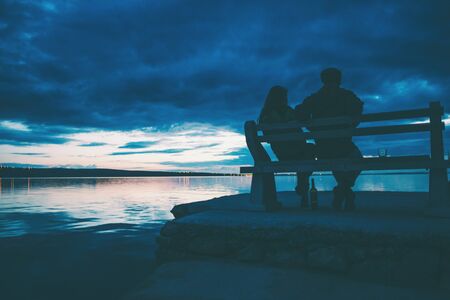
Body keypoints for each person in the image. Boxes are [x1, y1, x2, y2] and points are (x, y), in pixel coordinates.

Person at [295, 68, 363, 211]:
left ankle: (342, 190)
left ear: (323, 80)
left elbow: (300, 113)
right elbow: (357, 113)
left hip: (322, 149)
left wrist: (313, 129)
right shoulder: (347, 96)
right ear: (339, 79)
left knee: (335, 160)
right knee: (359, 160)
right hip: (344, 147)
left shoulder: (314, 98)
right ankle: (344, 189)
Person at [259, 85, 314, 207]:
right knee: (310, 151)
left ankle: (302, 187)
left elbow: (267, 135)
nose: (285, 99)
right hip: (286, 151)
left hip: (288, 151)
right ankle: (302, 188)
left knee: (309, 152)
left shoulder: (267, 114)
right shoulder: (276, 113)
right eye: (283, 97)